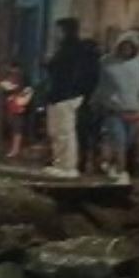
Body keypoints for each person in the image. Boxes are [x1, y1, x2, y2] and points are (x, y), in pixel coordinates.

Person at [44, 18, 101, 178]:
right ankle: (60, 163)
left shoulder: (74, 49)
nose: (56, 34)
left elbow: (67, 71)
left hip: (66, 95)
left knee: (64, 131)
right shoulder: (67, 48)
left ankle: (67, 167)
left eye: (58, 30)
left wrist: (76, 91)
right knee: (56, 131)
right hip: (60, 94)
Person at [93, 36, 139, 181]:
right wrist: (98, 101)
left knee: (126, 143)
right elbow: (100, 84)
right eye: (124, 46)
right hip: (113, 110)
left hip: (133, 110)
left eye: (130, 46)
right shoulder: (106, 62)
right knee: (118, 141)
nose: (127, 49)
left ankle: (109, 165)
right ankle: (121, 173)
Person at [0, 62, 33, 160]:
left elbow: (26, 92)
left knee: (17, 128)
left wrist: (20, 99)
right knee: (13, 127)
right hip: (12, 106)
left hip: (18, 106)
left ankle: (15, 149)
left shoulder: (21, 79)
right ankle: (13, 148)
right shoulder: (12, 77)